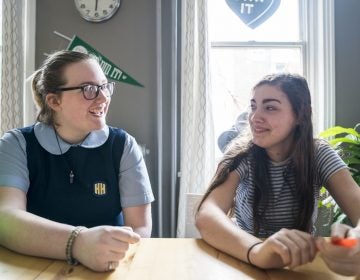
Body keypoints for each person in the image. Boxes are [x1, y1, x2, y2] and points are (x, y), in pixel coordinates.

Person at [0, 50, 154, 272]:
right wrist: (79, 244)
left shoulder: (123, 145)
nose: (103, 98)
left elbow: (139, 226)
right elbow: (6, 218)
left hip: (107, 269)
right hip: (34, 267)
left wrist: (113, 257)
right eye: (89, 89)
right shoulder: (17, 144)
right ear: (54, 101)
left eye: (104, 86)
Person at [195, 73, 360, 276]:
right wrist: (257, 251)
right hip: (243, 260)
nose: (255, 117)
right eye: (253, 106)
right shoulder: (240, 154)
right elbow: (207, 214)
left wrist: (355, 240)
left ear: (300, 115)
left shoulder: (318, 153)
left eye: (270, 107)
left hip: (299, 265)